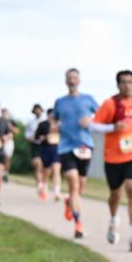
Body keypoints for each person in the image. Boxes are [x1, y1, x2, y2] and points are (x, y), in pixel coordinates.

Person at [91, 70, 132, 251]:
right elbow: (94, 125)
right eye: (123, 82)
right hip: (113, 157)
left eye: (130, 82)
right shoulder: (110, 104)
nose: (127, 85)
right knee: (115, 194)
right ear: (118, 85)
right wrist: (112, 127)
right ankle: (113, 219)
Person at [53, 68, 99, 238]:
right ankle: (78, 225)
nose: (72, 80)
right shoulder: (60, 102)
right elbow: (54, 118)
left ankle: (70, 202)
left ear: (79, 80)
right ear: (66, 81)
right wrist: (55, 125)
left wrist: (91, 120)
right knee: (73, 183)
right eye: (69, 78)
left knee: (79, 187)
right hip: (66, 146)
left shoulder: (88, 99)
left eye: (74, 78)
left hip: (85, 145)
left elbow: (102, 115)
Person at [34, 109, 62, 202]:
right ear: (48, 115)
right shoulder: (43, 124)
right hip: (45, 149)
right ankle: (43, 186)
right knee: (46, 171)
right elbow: (37, 137)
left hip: (57, 149)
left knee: (56, 170)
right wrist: (44, 136)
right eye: (51, 114)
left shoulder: (60, 125)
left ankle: (57, 192)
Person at [24, 104, 47, 199]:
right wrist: (29, 137)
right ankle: (40, 184)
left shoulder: (45, 121)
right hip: (35, 145)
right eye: (36, 110)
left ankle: (43, 183)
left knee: (44, 168)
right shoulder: (31, 122)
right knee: (37, 164)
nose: (37, 111)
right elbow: (27, 133)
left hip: (44, 145)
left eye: (39, 110)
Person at [0, 108, 20, 183]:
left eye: (6, 113)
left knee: (7, 159)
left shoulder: (11, 122)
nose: (5, 115)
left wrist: (10, 128)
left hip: (9, 143)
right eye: (3, 113)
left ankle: (5, 174)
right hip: (0, 142)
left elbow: (17, 131)